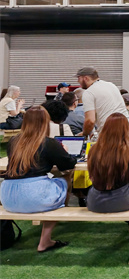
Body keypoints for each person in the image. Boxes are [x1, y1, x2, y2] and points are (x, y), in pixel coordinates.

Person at [0, 106, 77, 252]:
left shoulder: (14, 141)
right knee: (64, 180)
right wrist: (65, 151)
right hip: (35, 196)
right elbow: (68, 164)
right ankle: (45, 239)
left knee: (53, 183)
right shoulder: (48, 143)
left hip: (8, 196)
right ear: (45, 122)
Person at [87, 113, 129, 213]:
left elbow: (92, 178)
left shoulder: (93, 150)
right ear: (127, 130)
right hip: (124, 199)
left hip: (95, 202)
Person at [76, 67, 129, 137]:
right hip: (126, 126)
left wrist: (84, 134)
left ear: (86, 78)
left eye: (79, 78)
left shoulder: (89, 92)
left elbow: (90, 121)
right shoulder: (111, 85)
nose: (78, 81)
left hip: (109, 129)